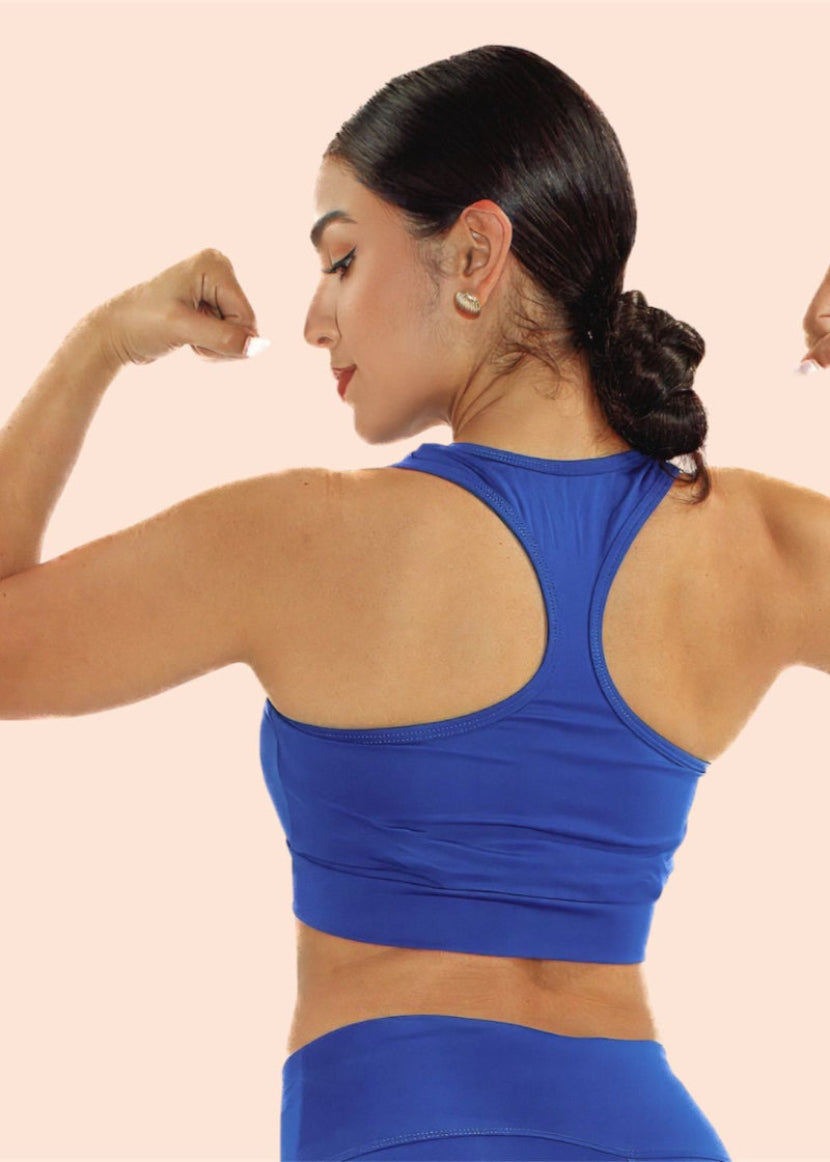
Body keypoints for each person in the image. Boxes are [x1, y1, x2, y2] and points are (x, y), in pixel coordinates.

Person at [1, 43, 828, 1162]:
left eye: (340, 258)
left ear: (475, 252)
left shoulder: (301, 537)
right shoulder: (756, 542)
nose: (313, 317)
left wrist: (99, 343)